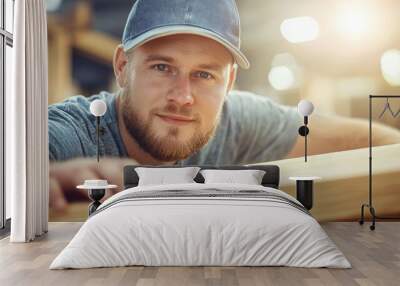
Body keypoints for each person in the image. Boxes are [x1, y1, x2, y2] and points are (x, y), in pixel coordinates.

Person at [49, 0, 400, 211]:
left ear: (229, 83)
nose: (183, 96)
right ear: (123, 68)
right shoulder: (72, 135)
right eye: (162, 67)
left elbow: (382, 146)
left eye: (204, 75)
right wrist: (34, 180)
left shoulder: (238, 120)